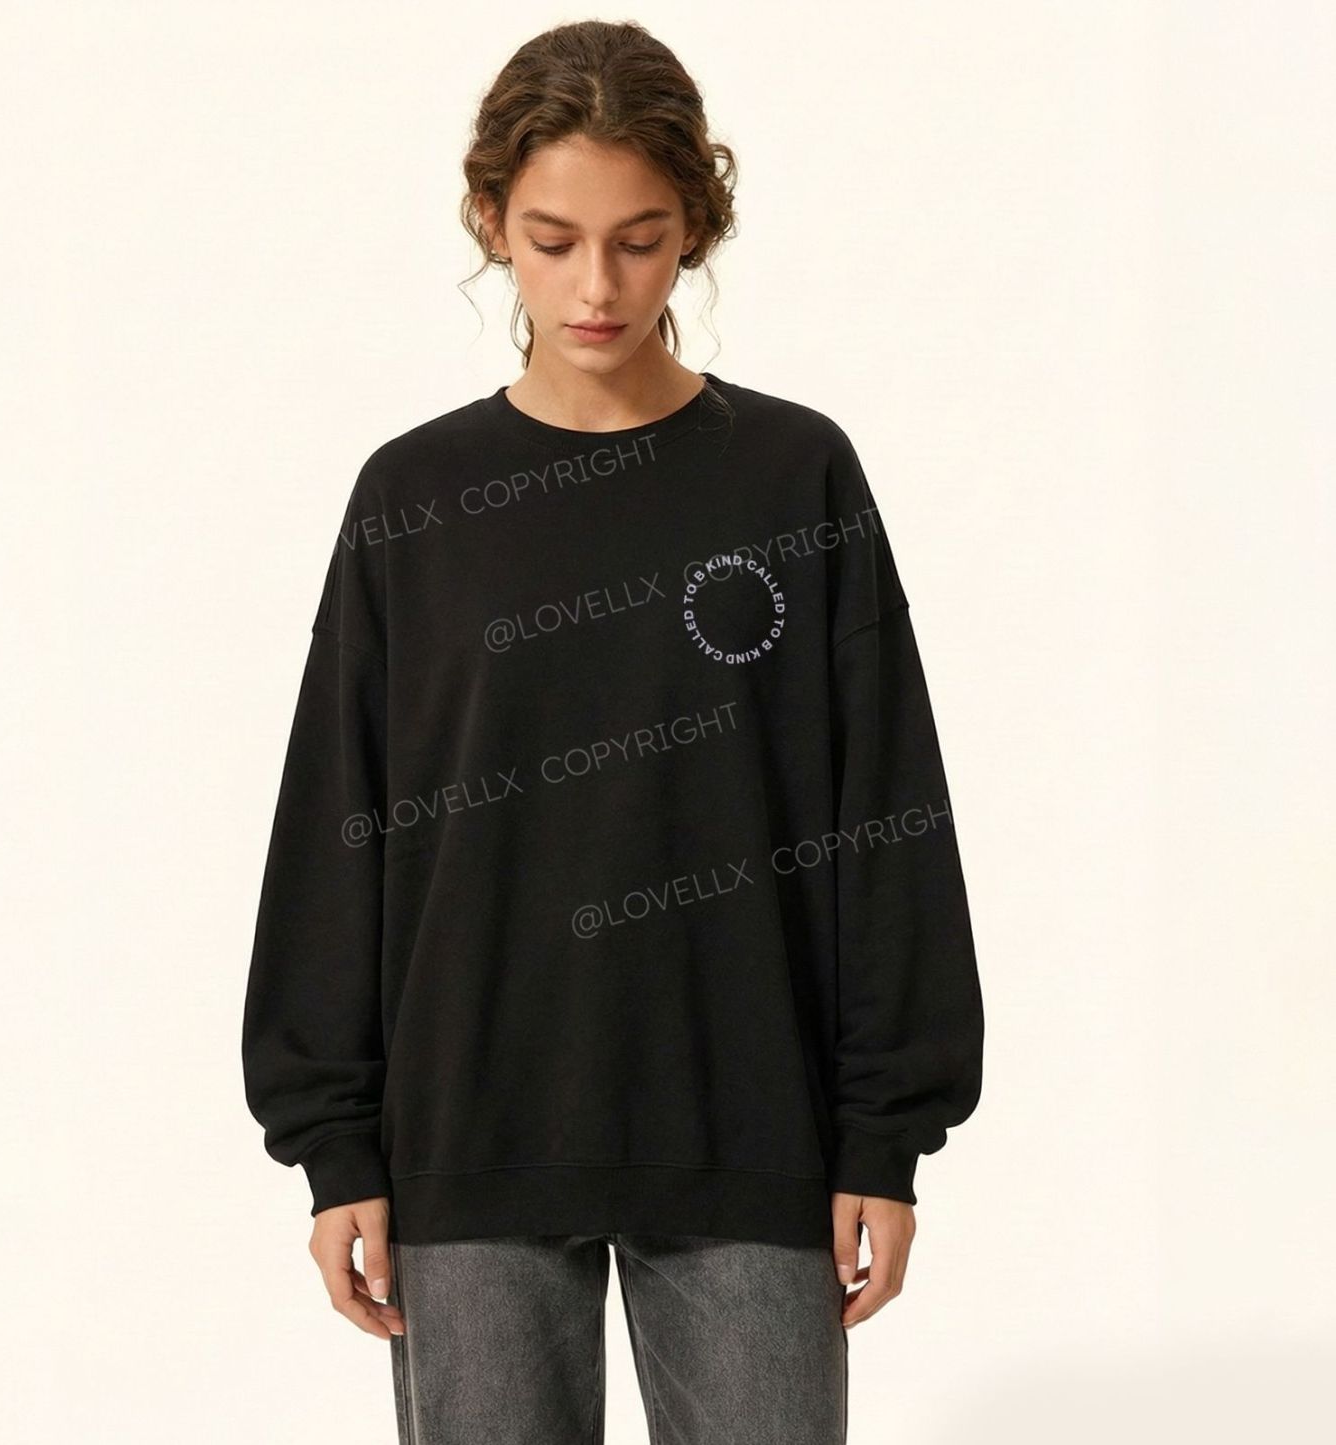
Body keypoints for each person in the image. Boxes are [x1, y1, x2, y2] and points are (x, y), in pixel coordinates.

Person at [241, 19, 984, 1445]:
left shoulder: (793, 474)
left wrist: (884, 1134)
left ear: (694, 227)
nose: (597, 286)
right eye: (555, 239)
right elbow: (338, 824)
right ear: (490, 223)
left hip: (749, 1128)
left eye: (640, 241)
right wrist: (334, 1145)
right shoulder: (417, 497)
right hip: (471, 1135)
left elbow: (884, 807)